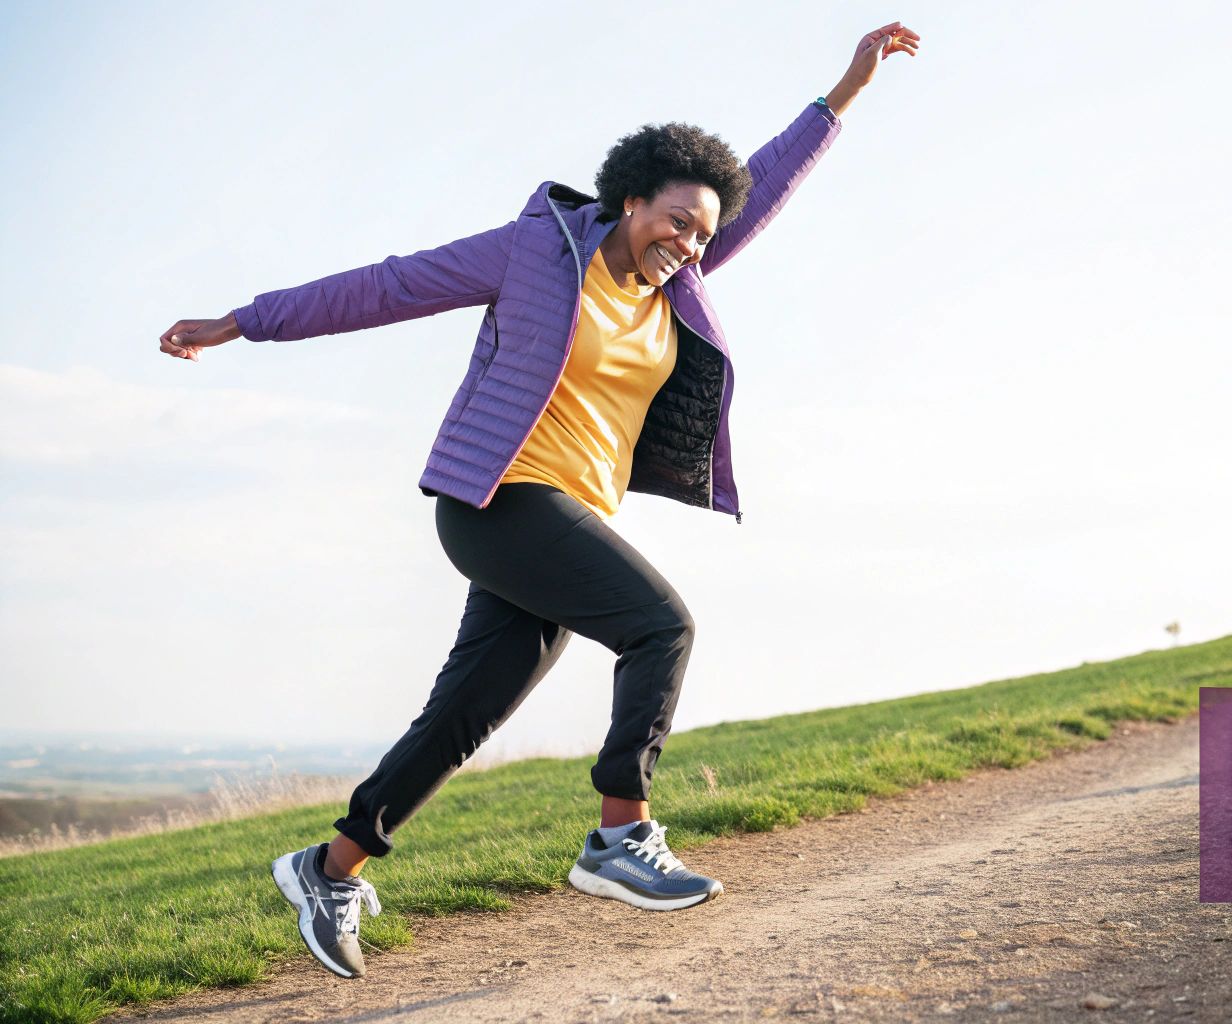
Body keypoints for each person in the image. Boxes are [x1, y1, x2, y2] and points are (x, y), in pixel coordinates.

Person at [157, 22, 920, 980]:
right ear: (630, 198)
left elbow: (756, 190)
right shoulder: (535, 253)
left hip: (569, 516)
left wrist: (842, 94)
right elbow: (387, 286)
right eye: (673, 218)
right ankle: (618, 837)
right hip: (498, 500)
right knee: (661, 627)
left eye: (701, 233)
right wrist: (243, 322)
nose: (685, 242)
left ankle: (330, 865)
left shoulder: (674, 288)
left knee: (467, 712)